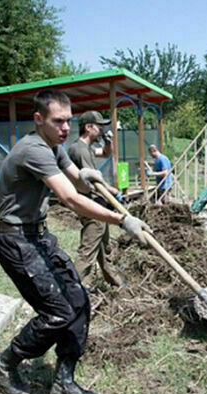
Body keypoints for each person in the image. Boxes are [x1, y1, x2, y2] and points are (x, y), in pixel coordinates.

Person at [0, 90, 152, 394]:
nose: (64, 128)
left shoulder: (55, 147)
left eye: (68, 121)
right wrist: (122, 220)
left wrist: (88, 175)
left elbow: (78, 181)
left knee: (79, 301)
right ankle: (3, 365)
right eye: (57, 121)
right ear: (38, 119)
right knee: (58, 311)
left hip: (37, 235)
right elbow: (71, 198)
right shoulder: (34, 150)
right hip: (15, 239)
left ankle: (64, 382)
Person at [67, 110, 125, 288]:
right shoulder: (79, 150)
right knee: (88, 251)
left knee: (104, 247)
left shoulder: (87, 148)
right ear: (88, 127)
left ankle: (116, 282)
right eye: (99, 127)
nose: (101, 130)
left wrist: (109, 141)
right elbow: (92, 181)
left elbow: (106, 154)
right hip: (90, 206)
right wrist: (112, 190)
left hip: (96, 205)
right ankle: (70, 290)